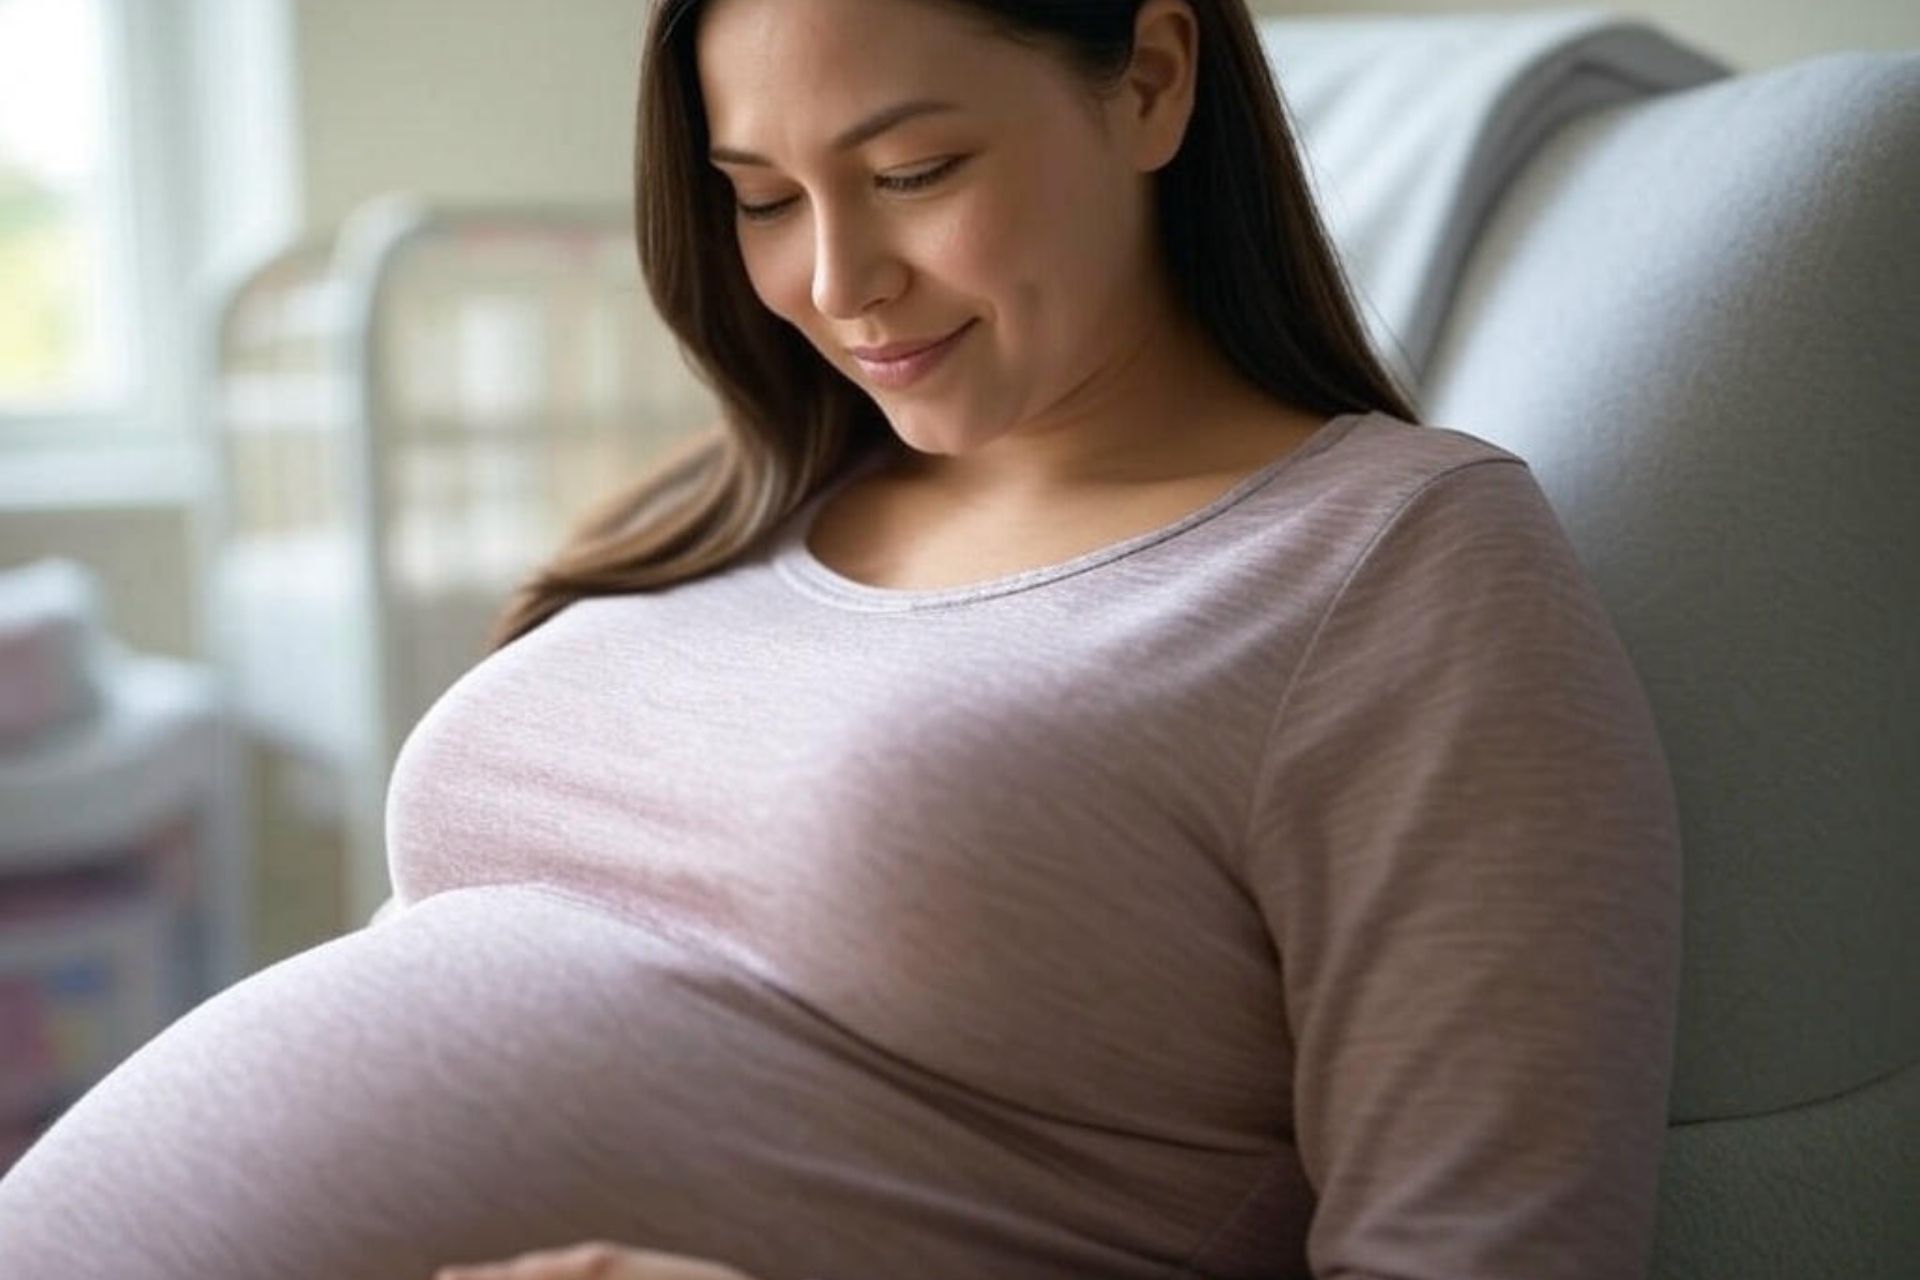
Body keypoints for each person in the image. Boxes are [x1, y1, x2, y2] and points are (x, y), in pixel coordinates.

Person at [0, 0, 1685, 1277]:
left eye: (912, 173)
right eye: (760, 197)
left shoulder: (1390, 565)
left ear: (1155, 80)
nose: (836, 279)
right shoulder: (741, 506)